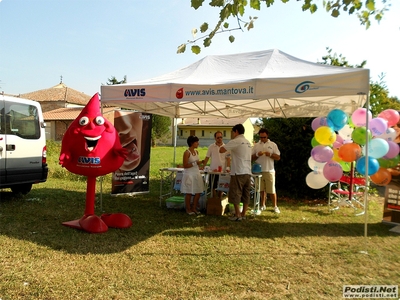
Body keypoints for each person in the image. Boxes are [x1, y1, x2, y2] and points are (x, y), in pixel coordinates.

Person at [219, 124, 252, 221]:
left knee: (235, 193)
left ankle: (237, 214)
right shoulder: (248, 142)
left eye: (233, 132)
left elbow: (221, 150)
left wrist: (226, 145)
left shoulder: (235, 141)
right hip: (247, 171)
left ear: (236, 131)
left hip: (238, 171)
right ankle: (243, 214)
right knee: (246, 194)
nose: (232, 134)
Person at [252, 128, 281, 213]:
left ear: (267, 136)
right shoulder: (256, 145)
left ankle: (275, 206)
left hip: (269, 170)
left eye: (264, 137)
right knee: (261, 190)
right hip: (258, 171)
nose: (263, 139)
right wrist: (257, 154)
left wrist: (270, 154)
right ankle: (262, 205)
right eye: (261, 137)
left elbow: (278, 157)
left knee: (272, 190)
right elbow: (251, 158)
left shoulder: (273, 144)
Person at [180, 135, 205, 215]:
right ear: (192, 143)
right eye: (196, 142)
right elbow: (185, 165)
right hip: (189, 174)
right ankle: (188, 209)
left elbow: (196, 164)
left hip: (196, 173)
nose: (198, 143)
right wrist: (195, 163)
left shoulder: (196, 152)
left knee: (198, 191)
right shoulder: (187, 152)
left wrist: (201, 164)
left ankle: (194, 207)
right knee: (189, 192)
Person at [203, 131, 231, 198]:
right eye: (218, 137)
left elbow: (228, 159)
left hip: (222, 171)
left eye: (221, 137)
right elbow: (207, 157)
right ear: (215, 138)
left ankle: (219, 201)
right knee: (213, 187)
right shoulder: (211, 147)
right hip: (213, 170)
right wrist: (203, 166)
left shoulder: (226, 147)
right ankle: (214, 200)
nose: (220, 139)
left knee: (221, 187)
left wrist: (228, 168)